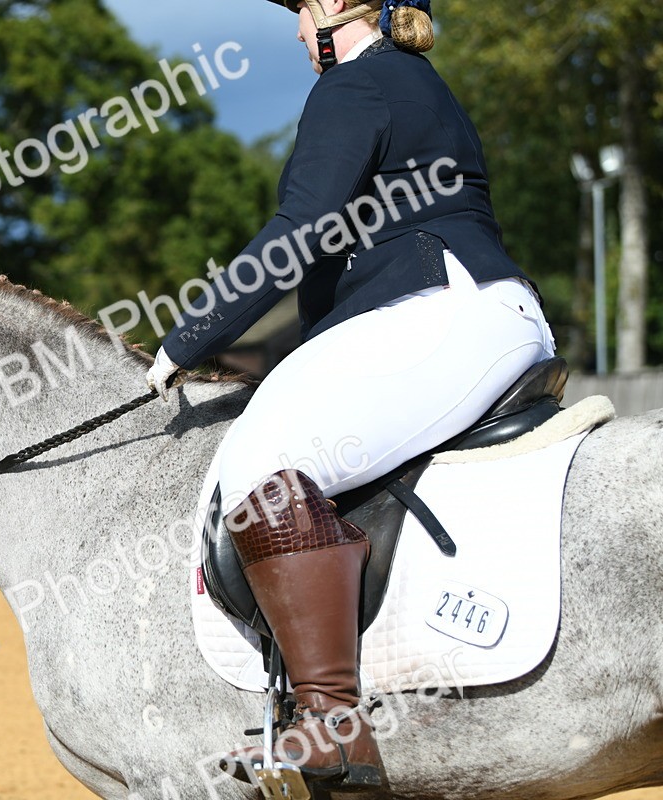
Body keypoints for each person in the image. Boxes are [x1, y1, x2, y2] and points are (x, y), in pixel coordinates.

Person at [146, 0, 556, 791]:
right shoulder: (420, 81)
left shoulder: (354, 86)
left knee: (262, 462)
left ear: (337, 8)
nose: (300, 34)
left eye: (302, 14)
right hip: (485, 313)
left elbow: (300, 230)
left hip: (437, 308)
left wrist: (185, 339)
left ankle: (332, 726)